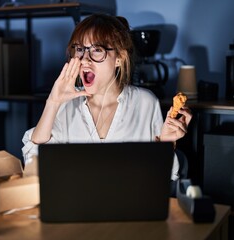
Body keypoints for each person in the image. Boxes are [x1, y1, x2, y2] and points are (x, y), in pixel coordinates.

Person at [22, 13, 192, 182]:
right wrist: (53, 102)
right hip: (78, 206)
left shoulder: (145, 103)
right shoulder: (67, 105)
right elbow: (33, 164)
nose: (85, 60)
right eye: (80, 49)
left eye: (97, 50)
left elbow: (161, 177)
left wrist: (166, 143)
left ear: (119, 58)